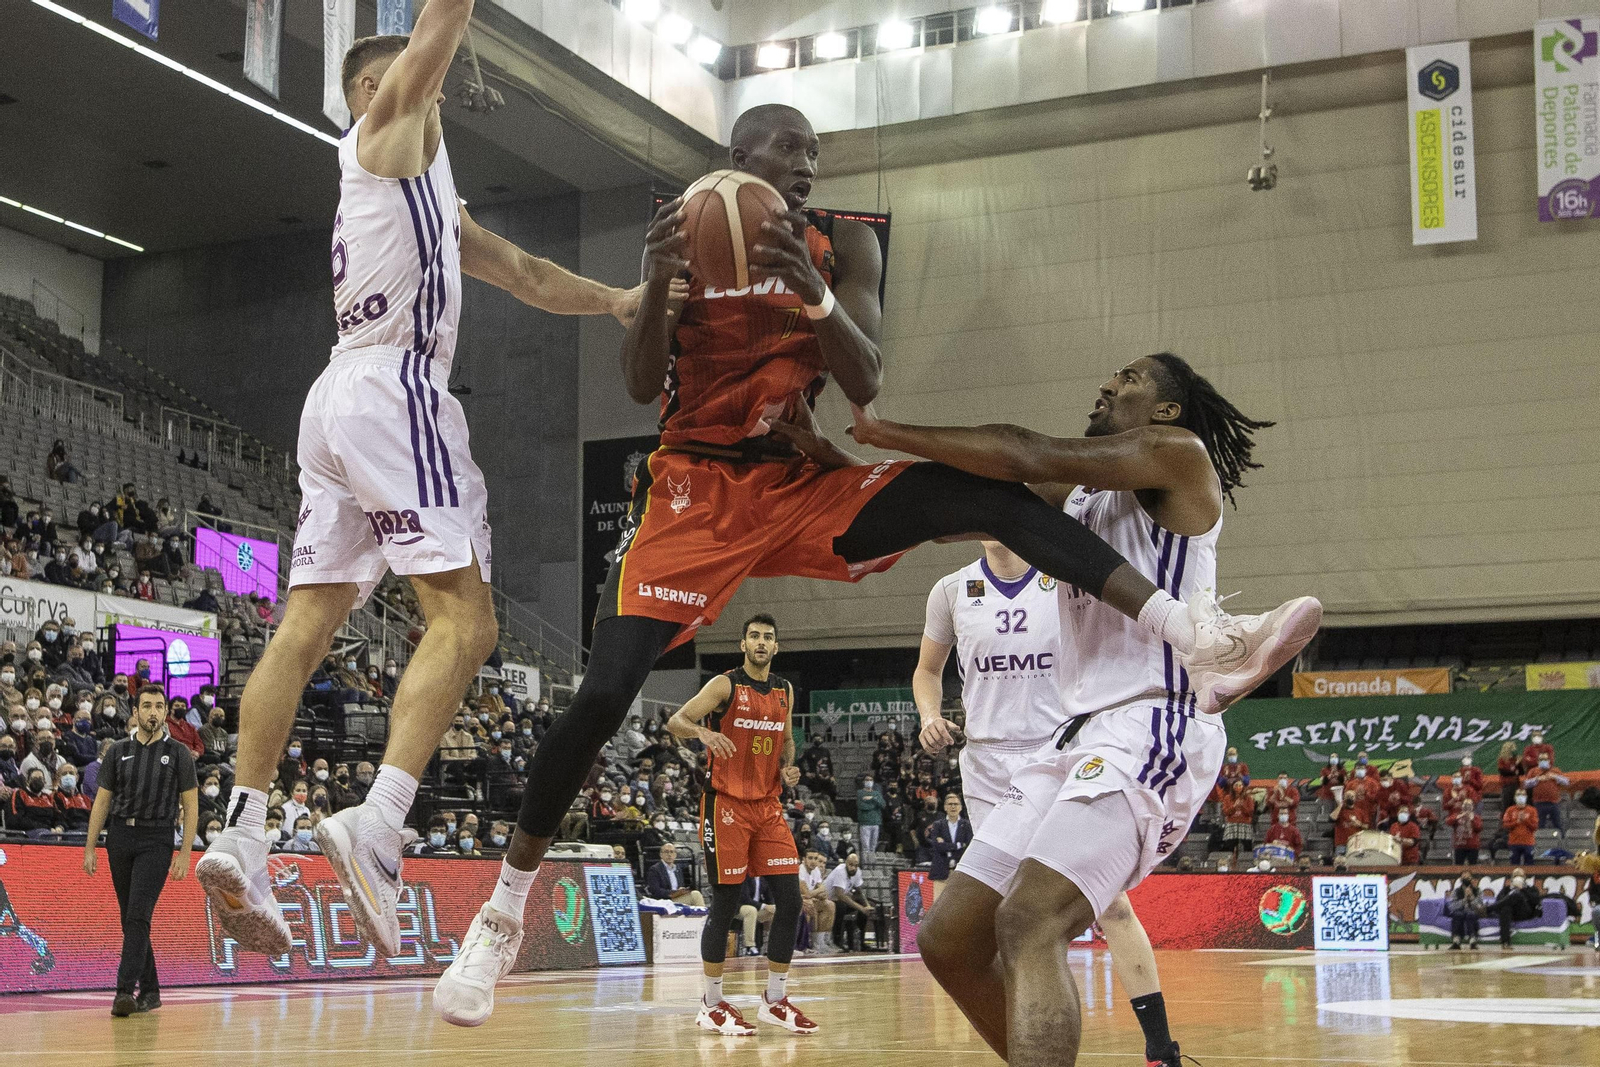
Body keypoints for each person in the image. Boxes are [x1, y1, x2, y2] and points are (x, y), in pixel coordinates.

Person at [440, 106, 1320, 1028]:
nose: (809, 163)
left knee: (990, 497)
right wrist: (658, 282)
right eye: (791, 148)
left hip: (795, 481)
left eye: (816, 150)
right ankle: (502, 913)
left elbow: (864, 382)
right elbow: (635, 380)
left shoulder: (847, 246)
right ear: (742, 159)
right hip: (696, 487)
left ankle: (1196, 632)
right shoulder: (687, 230)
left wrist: (809, 292)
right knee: (607, 686)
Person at [198, 1, 644, 961]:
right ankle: (381, 820)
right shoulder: (383, 129)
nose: (436, 84)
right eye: (417, 74)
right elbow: (440, 21)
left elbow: (523, 272)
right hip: (396, 388)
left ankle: (241, 828)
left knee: (307, 622)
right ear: (374, 88)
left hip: (339, 399)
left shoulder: (429, 193)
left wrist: (614, 298)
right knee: (468, 622)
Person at [883, 351, 1320, 1067]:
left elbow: (1028, 449)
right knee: (949, 940)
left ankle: (1229, 650)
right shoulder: (1077, 495)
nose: (1108, 383)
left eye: (1130, 379)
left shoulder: (1178, 457)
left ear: (1167, 409)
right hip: (1071, 735)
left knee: (1028, 919)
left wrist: (887, 427)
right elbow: (972, 502)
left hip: (1156, 719)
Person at [80, 686, 199, 1016]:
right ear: (136, 711)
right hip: (119, 836)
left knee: (137, 915)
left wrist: (186, 851)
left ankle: (123, 990)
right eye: (147, 705)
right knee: (131, 919)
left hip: (157, 839)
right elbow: (102, 800)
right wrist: (91, 846)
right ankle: (150, 990)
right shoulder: (118, 751)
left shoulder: (178, 753)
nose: (153, 711)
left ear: (164, 712)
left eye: (159, 706)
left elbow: (191, 806)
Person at [826, 852, 879, 951]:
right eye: (851, 865)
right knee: (841, 906)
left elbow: (859, 891)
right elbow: (840, 895)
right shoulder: (840, 871)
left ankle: (861, 941)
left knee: (864, 905)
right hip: (830, 900)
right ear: (846, 863)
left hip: (840, 900)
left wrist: (866, 906)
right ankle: (837, 941)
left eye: (856, 865)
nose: (853, 868)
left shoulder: (857, 871)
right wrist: (861, 908)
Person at [1486, 869, 1541, 949]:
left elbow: (1536, 900)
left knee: (1516, 895)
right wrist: (1510, 893)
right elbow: (1499, 902)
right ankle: (1505, 942)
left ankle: (1488, 909)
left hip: (1525, 912)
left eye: (1520, 876)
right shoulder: (1506, 889)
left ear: (1525, 878)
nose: (1518, 878)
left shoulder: (1531, 888)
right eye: (1515, 876)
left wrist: (1522, 889)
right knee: (1505, 908)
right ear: (1512, 878)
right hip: (1511, 914)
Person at [798, 849, 839, 954]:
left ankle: (819, 943)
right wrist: (817, 892)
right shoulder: (800, 870)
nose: (813, 861)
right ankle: (803, 944)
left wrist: (815, 893)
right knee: (808, 907)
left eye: (815, 858)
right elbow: (806, 894)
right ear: (804, 859)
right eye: (810, 858)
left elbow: (824, 894)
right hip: (799, 902)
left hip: (811, 900)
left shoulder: (815, 871)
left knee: (830, 905)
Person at [644, 842, 704, 906]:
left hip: (677, 898)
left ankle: (702, 914)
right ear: (661, 855)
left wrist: (682, 891)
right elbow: (655, 891)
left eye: (672, 852)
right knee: (695, 895)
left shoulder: (678, 869)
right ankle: (705, 914)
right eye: (666, 852)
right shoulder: (655, 869)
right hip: (664, 901)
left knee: (695, 894)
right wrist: (673, 893)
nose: (669, 854)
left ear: (675, 855)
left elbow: (681, 885)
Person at [929, 794, 973, 881]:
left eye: (956, 804)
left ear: (960, 807)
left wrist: (945, 845)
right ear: (945, 807)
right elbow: (937, 846)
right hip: (940, 871)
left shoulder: (967, 825)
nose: (953, 807)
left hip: (961, 870)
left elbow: (969, 846)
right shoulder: (938, 825)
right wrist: (958, 845)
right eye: (950, 804)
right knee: (939, 895)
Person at [1524, 757, 1569, 831]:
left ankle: (1561, 840)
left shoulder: (1555, 771)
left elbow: (1566, 782)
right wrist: (1537, 779)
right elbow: (1526, 784)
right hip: (1539, 803)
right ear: (1538, 761)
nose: (1543, 761)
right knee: (1539, 825)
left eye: (1545, 759)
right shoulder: (1533, 771)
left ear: (1549, 760)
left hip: (1553, 802)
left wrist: (1554, 776)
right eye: (1541, 759)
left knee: (1557, 824)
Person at [1446, 871, 1484, 950]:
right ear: (1461, 879)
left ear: (1472, 879)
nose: (1466, 879)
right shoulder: (1456, 891)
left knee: (1471, 914)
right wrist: (1464, 900)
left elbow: (1480, 907)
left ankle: (1473, 940)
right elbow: (1452, 907)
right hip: (1460, 911)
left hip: (1472, 911)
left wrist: (1472, 897)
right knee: (1457, 914)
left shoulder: (1478, 891)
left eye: (1468, 878)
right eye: (1464, 878)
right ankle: (1456, 940)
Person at [855, 775, 885, 854]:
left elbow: (883, 805)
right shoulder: (860, 793)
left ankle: (872, 865)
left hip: (876, 822)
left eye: (871, 780)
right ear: (864, 782)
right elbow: (862, 806)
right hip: (865, 822)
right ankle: (865, 865)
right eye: (867, 780)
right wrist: (875, 805)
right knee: (866, 847)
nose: (869, 781)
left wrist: (872, 798)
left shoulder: (876, 793)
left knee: (873, 847)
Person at [1448, 799, 1483, 866]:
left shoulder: (1476, 817)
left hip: (1472, 846)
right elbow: (1448, 822)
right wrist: (1459, 816)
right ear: (1462, 806)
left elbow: (1479, 828)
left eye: (1469, 805)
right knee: (1458, 866)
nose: (1467, 807)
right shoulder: (1457, 816)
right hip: (1459, 845)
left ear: (1472, 807)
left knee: (1473, 866)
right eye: (1465, 805)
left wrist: (1472, 819)